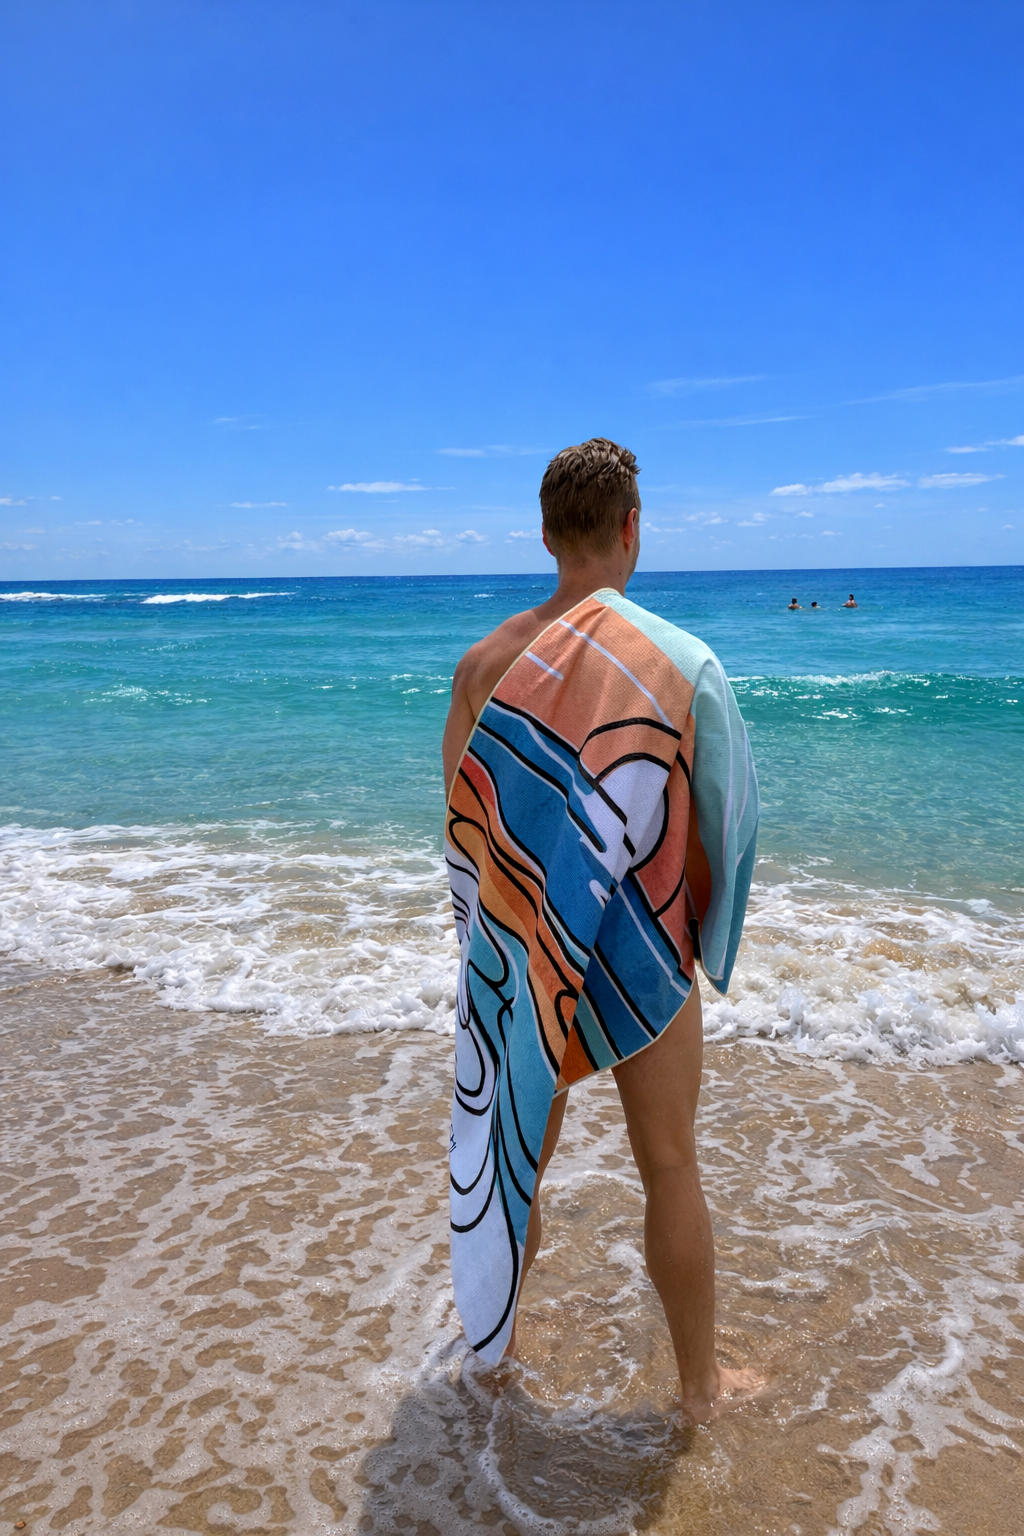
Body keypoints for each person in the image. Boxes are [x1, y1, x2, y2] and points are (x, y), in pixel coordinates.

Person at [442, 438, 763, 1422]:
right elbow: (726, 823)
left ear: (545, 534)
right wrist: (709, 946)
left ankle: (490, 1365)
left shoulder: (484, 662)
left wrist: (488, 953)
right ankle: (701, 1388)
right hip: (643, 958)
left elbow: (466, 828)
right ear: (632, 528)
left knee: (515, 1170)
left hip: (526, 956)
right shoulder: (682, 663)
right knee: (669, 1164)